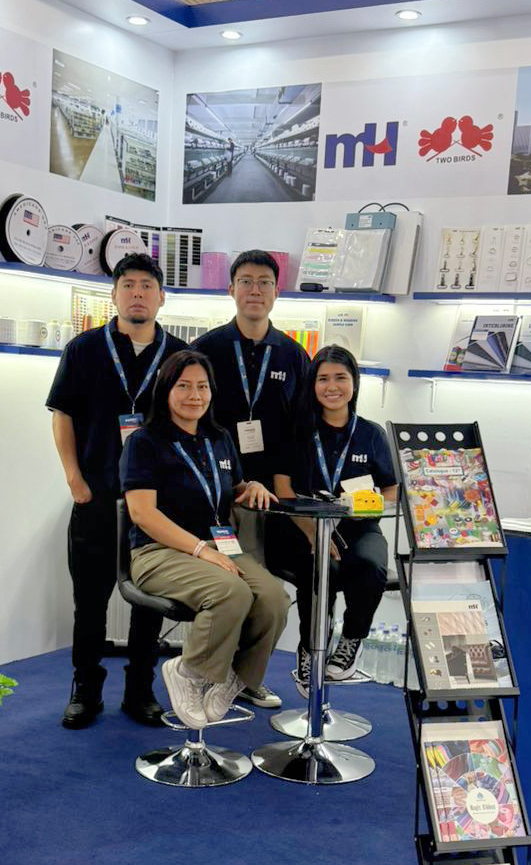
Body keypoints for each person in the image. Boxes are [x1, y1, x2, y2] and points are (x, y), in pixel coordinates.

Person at [46, 252, 188, 730]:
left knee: (149, 603)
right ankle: (85, 688)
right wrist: (74, 479)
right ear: (114, 294)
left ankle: (139, 690)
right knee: (89, 600)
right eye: (128, 285)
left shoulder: (180, 356)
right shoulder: (85, 349)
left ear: (162, 297)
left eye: (147, 286)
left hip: (158, 507)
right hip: (98, 497)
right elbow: (62, 415)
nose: (137, 294)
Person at [121, 350, 291, 729]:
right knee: (232, 592)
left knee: (274, 599)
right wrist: (200, 549)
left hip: (219, 547)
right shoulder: (144, 442)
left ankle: (235, 679)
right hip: (159, 552)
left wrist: (251, 486)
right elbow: (142, 513)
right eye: (183, 386)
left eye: (202, 386)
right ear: (166, 390)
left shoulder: (219, 438)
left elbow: (232, 487)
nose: (194, 395)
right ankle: (190, 672)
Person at [191, 249, 310, 709]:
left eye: (264, 282)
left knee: (269, 592)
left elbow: (301, 431)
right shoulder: (206, 350)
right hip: (216, 492)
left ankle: (246, 678)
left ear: (277, 292)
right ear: (231, 289)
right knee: (231, 588)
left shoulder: (293, 355)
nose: (254, 290)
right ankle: (209, 678)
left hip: (274, 496)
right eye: (246, 281)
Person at [270, 345, 399, 696]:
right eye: (323, 378)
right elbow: (283, 488)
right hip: (303, 528)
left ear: (354, 383)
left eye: (340, 378)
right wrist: (314, 532)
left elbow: (391, 490)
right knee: (322, 568)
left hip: (358, 527)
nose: (332, 387)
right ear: (312, 384)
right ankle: (311, 648)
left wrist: (365, 506)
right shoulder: (297, 431)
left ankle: (351, 640)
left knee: (372, 566)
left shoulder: (371, 434)